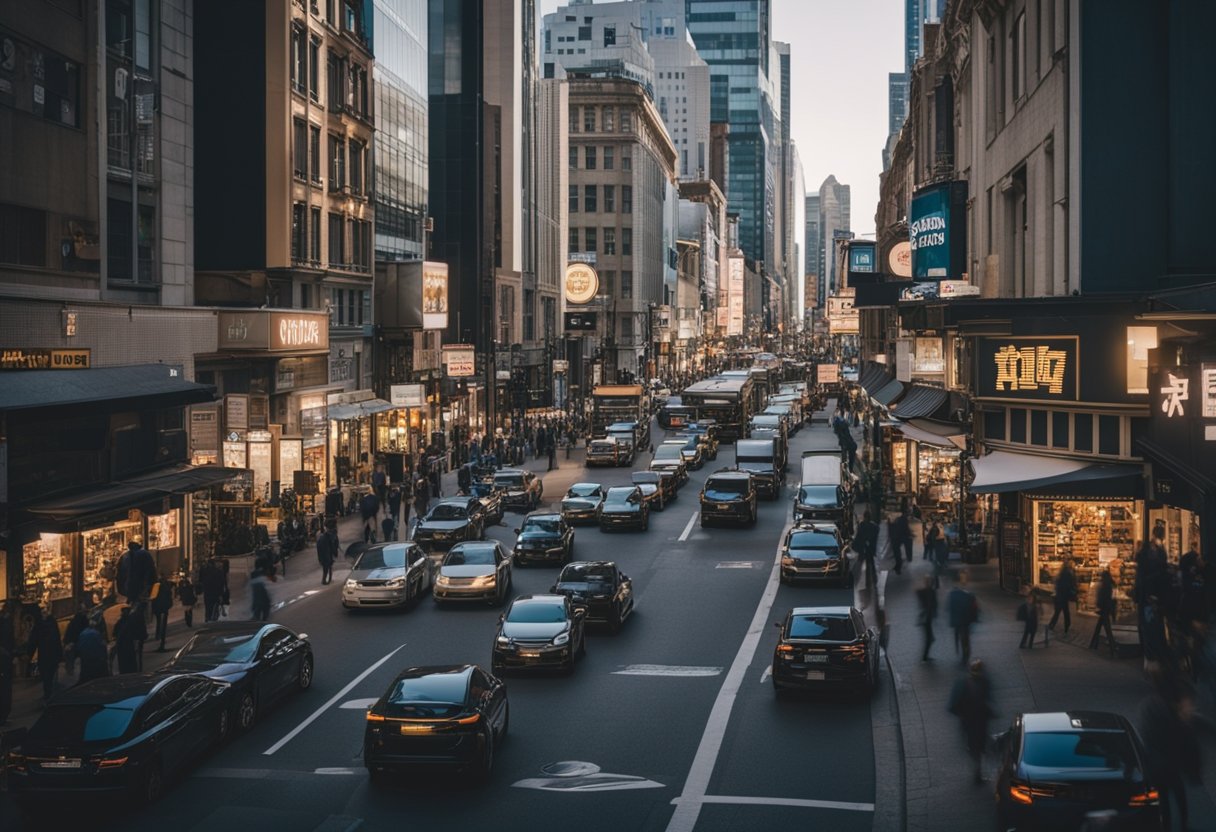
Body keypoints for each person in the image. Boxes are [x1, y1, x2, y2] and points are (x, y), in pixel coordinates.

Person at [948, 659, 995, 784]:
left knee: (975, 744)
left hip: (971, 720)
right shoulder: (982, 682)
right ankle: (978, 770)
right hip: (977, 720)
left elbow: (952, 706)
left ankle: (978, 768)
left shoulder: (964, 683)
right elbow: (987, 699)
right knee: (977, 744)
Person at [26, 607, 63, 703]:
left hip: (46, 654)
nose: (45, 614)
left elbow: (33, 640)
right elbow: (57, 639)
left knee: (47, 676)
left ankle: (48, 695)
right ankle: (50, 695)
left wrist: (29, 654)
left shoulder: (40, 625)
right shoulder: (51, 624)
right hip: (50, 654)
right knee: (49, 675)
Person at [947, 570, 978, 667]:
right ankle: (964, 656)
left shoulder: (968, 595)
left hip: (964, 621)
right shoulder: (956, 594)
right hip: (960, 621)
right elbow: (950, 608)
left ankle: (965, 658)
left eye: (964, 578)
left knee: (964, 640)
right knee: (962, 639)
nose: (963, 580)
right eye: (962, 578)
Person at [117, 539, 156, 604]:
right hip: (141, 584)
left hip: (132, 584)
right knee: (141, 602)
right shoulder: (144, 554)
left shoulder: (126, 556)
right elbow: (150, 569)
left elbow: (121, 571)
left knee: (134, 601)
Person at [1088, 569, 1118, 656]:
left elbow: (1102, 598)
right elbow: (1112, 598)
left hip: (1104, 608)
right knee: (1101, 627)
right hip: (1107, 608)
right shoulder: (1111, 585)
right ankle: (1095, 644)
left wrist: (1098, 605)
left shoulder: (1104, 585)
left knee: (1105, 628)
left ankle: (1097, 644)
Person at [74, 617, 109, 687]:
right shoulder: (96, 634)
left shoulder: (83, 633)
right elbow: (101, 647)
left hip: (86, 658)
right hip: (96, 659)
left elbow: (79, 647)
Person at [1047, 558, 1077, 635]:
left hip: (1060, 595)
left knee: (1058, 611)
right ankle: (1066, 626)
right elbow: (1069, 584)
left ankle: (1052, 625)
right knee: (1065, 612)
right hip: (1064, 595)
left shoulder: (1061, 573)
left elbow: (1058, 584)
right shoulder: (1068, 573)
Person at [854, 509, 880, 589]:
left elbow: (859, 537)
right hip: (870, 548)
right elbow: (876, 535)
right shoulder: (874, 526)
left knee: (860, 564)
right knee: (871, 564)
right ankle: (873, 580)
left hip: (863, 548)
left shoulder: (862, 525)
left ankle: (859, 581)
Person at [63, 601, 90, 676]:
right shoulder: (80, 620)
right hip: (76, 642)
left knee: (71, 657)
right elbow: (74, 631)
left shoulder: (79, 619)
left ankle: (70, 670)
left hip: (76, 641)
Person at [151, 573, 175, 652]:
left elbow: (153, 597)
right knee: (163, 624)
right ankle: (161, 640)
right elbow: (169, 596)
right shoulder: (166, 586)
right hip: (164, 607)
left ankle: (159, 637)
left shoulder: (156, 586)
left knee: (159, 622)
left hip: (159, 607)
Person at [0, 601, 15, 723]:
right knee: (4, 688)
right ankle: (3, 715)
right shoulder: (5, 622)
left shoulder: (7, 621)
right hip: (4, 659)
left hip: (6, 658)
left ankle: (4, 715)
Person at [916, 574, 937, 662]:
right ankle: (924, 657)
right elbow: (931, 604)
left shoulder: (925, 591)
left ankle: (925, 656)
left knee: (929, 638)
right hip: (927, 618)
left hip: (926, 617)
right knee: (929, 638)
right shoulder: (929, 591)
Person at [113, 606, 140, 674]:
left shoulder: (119, 622)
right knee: (131, 663)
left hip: (122, 646)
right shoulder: (131, 620)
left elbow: (115, 633)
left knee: (123, 665)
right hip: (129, 645)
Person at [200, 558, 225, 622]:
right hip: (215, 592)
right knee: (215, 605)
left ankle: (207, 617)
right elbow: (221, 583)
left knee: (207, 606)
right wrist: (221, 594)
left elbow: (201, 580)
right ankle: (213, 618)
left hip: (207, 591)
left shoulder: (204, 571)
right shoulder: (219, 572)